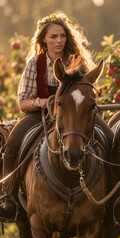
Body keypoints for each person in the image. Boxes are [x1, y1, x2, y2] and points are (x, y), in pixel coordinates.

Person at [0, 12, 112, 222]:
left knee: (109, 137)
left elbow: (88, 92)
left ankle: (116, 199)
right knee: (13, 142)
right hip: (40, 115)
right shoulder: (35, 64)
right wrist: (41, 102)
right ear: (43, 39)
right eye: (53, 36)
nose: (59, 40)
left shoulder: (77, 62)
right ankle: (9, 198)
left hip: (76, 116)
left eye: (62, 36)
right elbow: (22, 101)